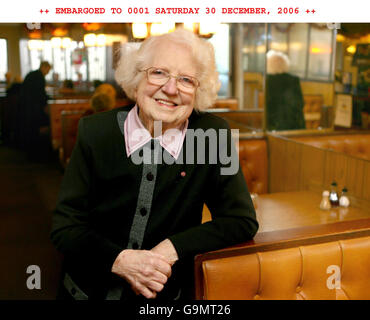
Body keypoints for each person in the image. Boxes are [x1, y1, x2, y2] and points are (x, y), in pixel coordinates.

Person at [51, 29, 258, 301]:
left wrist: (171, 248)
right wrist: (120, 260)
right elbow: (65, 227)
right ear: (136, 79)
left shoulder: (213, 136)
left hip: (165, 298)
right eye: (158, 73)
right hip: (85, 292)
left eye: (186, 79)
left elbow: (240, 219)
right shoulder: (96, 132)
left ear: (199, 91)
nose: (170, 89)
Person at [18, 61, 52, 159]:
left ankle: (31, 153)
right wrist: (46, 103)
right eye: (48, 70)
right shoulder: (39, 77)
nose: (48, 72)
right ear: (44, 67)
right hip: (34, 108)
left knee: (31, 129)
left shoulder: (32, 74)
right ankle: (36, 154)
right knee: (35, 129)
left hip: (27, 107)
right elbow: (40, 94)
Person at [265, 50, 306, 131]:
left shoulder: (269, 80)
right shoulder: (294, 79)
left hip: (275, 124)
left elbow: (269, 104)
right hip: (295, 123)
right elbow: (300, 102)